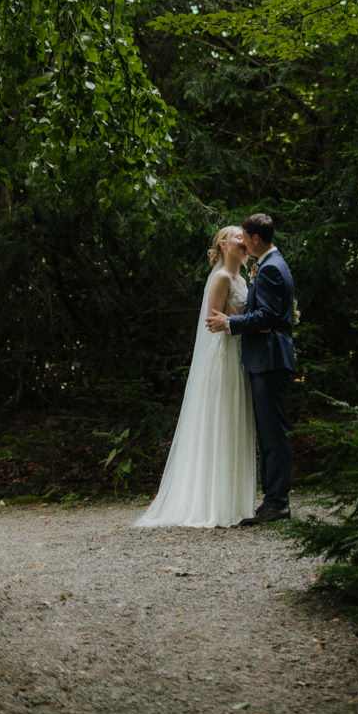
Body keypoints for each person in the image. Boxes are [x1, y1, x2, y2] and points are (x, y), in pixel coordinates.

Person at [134, 226, 257, 529]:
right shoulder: (221, 278)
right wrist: (236, 323)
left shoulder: (243, 280)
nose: (243, 240)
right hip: (223, 357)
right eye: (237, 237)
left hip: (240, 356)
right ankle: (212, 503)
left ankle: (234, 502)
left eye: (244, 237)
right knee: (221, 421)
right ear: (223, 245)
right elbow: (212, 323)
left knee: (236, 422)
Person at [206, 212, 295, 523]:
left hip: (269, 359)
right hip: (265, 357)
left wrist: (231, 323)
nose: (243, 242)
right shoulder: (270, 264)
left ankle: (277, 502)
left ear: (256, 239)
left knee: (273, 434)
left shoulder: (270, 268)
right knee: (270, 432)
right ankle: (273, 500)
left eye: (244, 236)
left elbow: (267, 316)